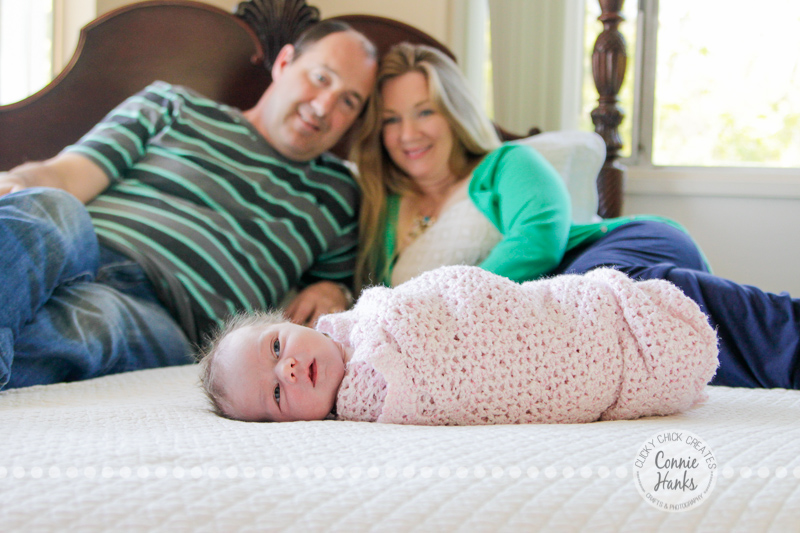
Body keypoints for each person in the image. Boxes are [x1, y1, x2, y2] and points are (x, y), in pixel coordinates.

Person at [351, 42, 800, 391]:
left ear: (453, 114)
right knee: (604, 348)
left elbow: (538, 240)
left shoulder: (507, 163)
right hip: (546, 325)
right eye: (391, 120)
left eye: (424, 112)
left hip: (615, 247)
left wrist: (441, 313)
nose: (408, 133)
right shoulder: (378, 207)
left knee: (602, 300)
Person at [0, 20, 378, 390]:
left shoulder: (339, 195)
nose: (324, 106)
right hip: (87, 248)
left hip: (168, 316)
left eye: (348, 101)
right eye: (321, 78)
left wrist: (335, 290)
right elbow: (64, 175)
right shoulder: (173, 106)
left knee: (91, 325)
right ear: (284, 63)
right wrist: (22, 182)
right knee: (51, 208)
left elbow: (346, 302)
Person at [198, 265, 719, 424]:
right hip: (590, 367)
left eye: (275, 348)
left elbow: (465, 293)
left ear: (293, 322)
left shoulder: (373, 314)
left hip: (575, 312)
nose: (287, 370)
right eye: (275, 395)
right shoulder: (365, 399)